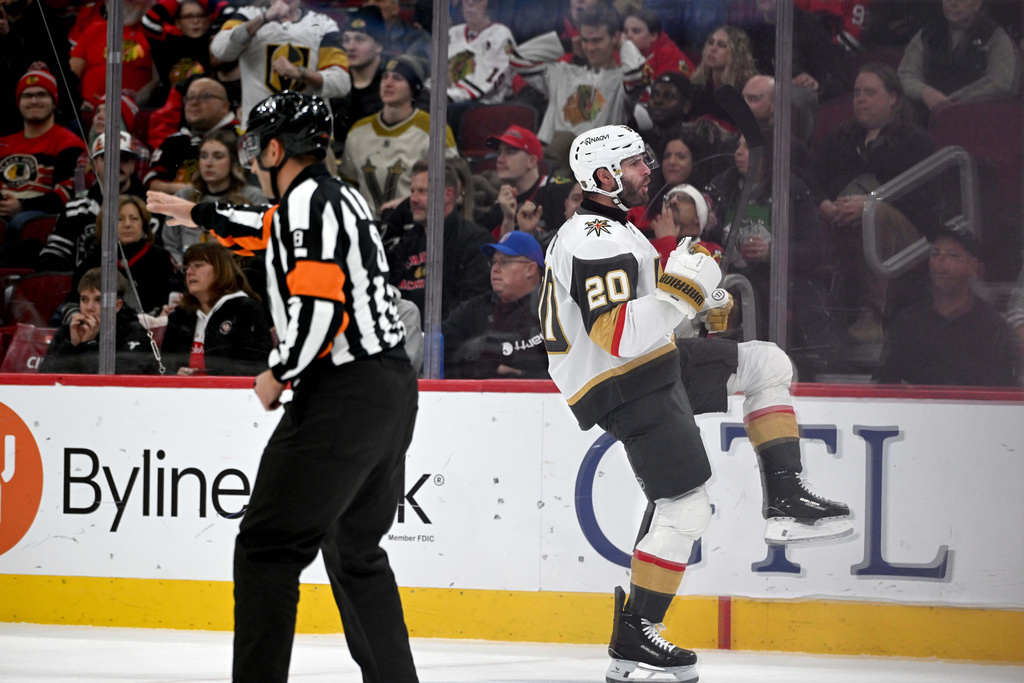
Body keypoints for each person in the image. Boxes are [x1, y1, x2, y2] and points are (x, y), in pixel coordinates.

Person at [543, 125, 850, 681]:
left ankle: (783, 499)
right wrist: (679, 291)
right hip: (621, 380)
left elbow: (649, 317)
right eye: (635, 165)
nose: (647, 172)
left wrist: (699, 306)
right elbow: (615, 334)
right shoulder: (593, 237)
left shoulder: (619, 233)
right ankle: (637, 632)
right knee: (685, 508)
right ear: (605, 177)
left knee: (767, 365)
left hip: (648, 363)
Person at [146, 91, 419, 682]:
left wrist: (278, 372)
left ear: (274, 148)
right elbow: (264, 231)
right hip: (392, 389)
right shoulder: (334, 198)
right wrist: (195, 212)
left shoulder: (306, 205)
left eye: (256, 148)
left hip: (344, 391)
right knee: (355, 551)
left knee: (267, 547)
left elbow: (322, 306)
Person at [812, 62, 937, 343]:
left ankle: (874, 313)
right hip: (842, 225)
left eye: (870, 92)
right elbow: (811, 179)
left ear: (894, 98)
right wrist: (825, 205)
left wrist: (870, 205)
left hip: (907, 235)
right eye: (856, 92)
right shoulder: (839, 139)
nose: (860, 99)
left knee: (874, 214)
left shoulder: (917, 142)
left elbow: (925, 200)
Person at [876, 226, 1020, 387]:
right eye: (935, 253)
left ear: (973, 266)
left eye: (953, 255)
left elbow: (1001, 393)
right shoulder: (908, 322)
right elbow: (885, 384)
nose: (941, 260)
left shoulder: (993, 327)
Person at [339, 56, 459, 216]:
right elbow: (348, 183)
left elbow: (453, 183)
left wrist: (408, 202)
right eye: (385, 77)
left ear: (414, 88)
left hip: (415, 228)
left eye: (397, 78)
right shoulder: (358, 131)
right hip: (366, 228)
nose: (388, 83)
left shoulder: (435, 129)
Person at [511, 5, 645, 147]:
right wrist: (567, 44)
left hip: (594, 157)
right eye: (585, 40)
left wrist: (624, 44)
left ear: (615, 38)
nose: (589, 48)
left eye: (597, 40)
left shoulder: (621, 81)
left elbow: (635, 74)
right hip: (551, 157)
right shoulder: (561, 72)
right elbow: (516, 59)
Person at [209, 0, 351, 128]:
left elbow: (341, 82)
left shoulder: (323, 24)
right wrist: (263, 18)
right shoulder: (248, 15)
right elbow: (220, 50)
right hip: (259, 128)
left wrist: (301, 73)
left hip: (308, 130)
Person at [386, 160, 493, 320]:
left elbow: (471, 307)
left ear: (448, 195)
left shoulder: (474, 240)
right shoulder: (407, 243)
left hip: (444, 341)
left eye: (422, 191)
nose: (413, 199)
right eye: (412, 191)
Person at [442, 231, 548, 379]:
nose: (495, 269)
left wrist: (479, 355)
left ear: (530, 269)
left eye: (505, 262)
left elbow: (540, 365)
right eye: (493, 262)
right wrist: (490, 366)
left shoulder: (551, 311)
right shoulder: (474, 308)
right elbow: (442, 350)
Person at [37, 132, 146, 272]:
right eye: (108, 158)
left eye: (124, 158)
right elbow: (54, 254)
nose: (116, 164)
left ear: (133, 165)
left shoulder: (152, 208)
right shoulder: (76, 209)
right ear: (94, 164)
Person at [159, 242, 273, 376]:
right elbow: (163, 366)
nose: (189, 272)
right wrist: (175, 374)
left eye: (198, 265)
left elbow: (258, 366)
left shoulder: (246, 310)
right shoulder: (179, 316)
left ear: (221, 269)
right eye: (187, 267)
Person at [898, 0, 1018, 120]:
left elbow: (1003, 83)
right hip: (927, 119)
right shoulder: (927, 33)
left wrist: (953, 101)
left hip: (980, 120)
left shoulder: (996, 36)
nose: (953, 3)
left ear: (978, 3)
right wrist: (925, 92)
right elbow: (905, 75)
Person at [164, 129, 267, 266]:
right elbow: (171, 247)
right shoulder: (183, 198)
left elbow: (262, 247)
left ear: (233, 161)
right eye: (204, 156)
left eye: (218, 156)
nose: (208, 163)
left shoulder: (253, 197)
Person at [72, 195, 175, 317]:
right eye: (119, 219)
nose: (127, 224)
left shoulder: (160, 259)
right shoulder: (94, 259)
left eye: (134, 219)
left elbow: (164, 305)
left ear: (144, 225)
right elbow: (72, 303)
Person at [40, 267, 152, 374]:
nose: (89, 307)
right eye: (84, 299)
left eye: (98, 300)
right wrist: (72, 345)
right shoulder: (67, 331)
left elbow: (121, 381)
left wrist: (88, 345)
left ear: (117, 306)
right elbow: (43, 379)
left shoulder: (134, 332)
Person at [476, 125, 575, 241]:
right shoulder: (502, 204)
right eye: (499, 153)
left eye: (510, 152)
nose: (499, 159)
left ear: (532, 161)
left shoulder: (559, 191)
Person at [145, 77, 239, 194]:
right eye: (189, 98)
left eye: (205, 96)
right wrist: (196, 191)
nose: (194, 103)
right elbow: (152, 184)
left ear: (225, 106)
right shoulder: (174, 141)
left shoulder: (240, 139)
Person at [69, 0, 159, 107]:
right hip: (89, 109)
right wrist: (78, 102)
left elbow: (157, 79)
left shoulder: (153, 35)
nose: (125, 3)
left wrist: (133, 104)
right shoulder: (94, 30)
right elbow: (72, 74)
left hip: (134, 111)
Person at [446, 0, 516, 131]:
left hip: (487, 104)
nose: (470, 3)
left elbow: (486, 83)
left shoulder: (500, 35)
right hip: (450, 97)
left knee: (445, 112)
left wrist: (447, 96)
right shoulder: (452, 33)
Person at [329, 6, 387, 150]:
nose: (350, 47)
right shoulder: (335, 82)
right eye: (346, 40)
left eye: (359, 40)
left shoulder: (393, 82)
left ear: (379, 46)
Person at [687, 25, 759, 128]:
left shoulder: (747, 91)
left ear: (736, 53)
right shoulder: (697, 86)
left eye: (721, 45)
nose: (712, 49)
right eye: (710, 43)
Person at [364, 0, 431, 62]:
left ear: (395, 9)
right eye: (366, 1)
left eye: (379, 1)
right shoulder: (358, 34)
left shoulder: (417, 38)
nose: (370, 4)